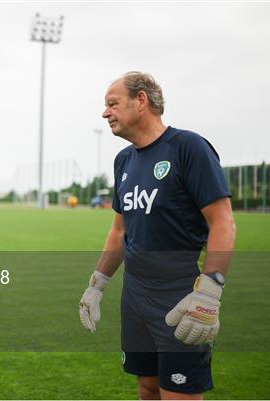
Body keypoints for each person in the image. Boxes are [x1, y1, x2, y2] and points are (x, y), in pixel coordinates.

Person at [79, 72, 236, 400]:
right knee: (147, 388)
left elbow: (223, 223)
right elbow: (119, 231)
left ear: (141, 101)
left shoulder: (187, 147)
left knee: (179, 394)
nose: (105, 113)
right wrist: (97, 284)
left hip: (179, 296)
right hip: (134, 296)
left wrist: (209, 292)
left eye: (112, 104)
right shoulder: (124, 161)